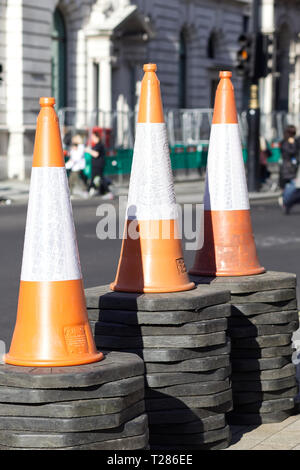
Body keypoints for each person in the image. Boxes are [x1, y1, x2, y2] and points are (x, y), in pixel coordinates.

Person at [278, 125, 300, 213]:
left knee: (291, 186)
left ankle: (285, 201)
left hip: (292, 167)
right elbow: (292, 151)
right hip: (288, 168)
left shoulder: (295, 141)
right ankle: (285, 201)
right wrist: (292, 143)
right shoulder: (286, 142)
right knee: (290, 186)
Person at [85, 131, 113, 199]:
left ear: (96, 137)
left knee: (100, 178)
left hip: (98, 165)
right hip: (96, 165)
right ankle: (92, 191)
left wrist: (88, 150)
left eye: (92, 137)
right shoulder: (97, 145)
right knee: (95, 178)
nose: (92, 139)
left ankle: (108, 192)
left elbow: (96, 154)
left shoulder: (99, 145)